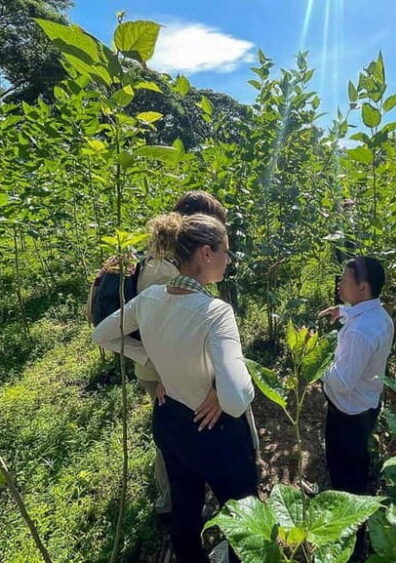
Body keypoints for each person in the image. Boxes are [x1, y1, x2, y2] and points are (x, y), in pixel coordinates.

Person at [93, 212, 257, 563]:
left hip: (169, 419)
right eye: (226, 251)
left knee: (186, 505)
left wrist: (153, 361)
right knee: (246, 518)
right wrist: (228, 387)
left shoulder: (150, 298)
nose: (230, 259)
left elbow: (102, 334)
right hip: (215, 430)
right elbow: (237, 397)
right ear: (205, 254)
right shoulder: (215, 312)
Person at [86, 190, 228, 516]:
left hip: (163, 368)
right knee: (176, 440)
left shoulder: (161, 258)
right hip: (165, 371)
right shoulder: (166, 270)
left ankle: (179, 495)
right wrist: (158, 364)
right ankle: (173, 500)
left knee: (176, 434)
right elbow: (154, 325)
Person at [318, 256, 393, 555]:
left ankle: (349, 544)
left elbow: (342, 380)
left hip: (347, 414)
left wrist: (317, 363)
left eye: (345, 280)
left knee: (344, 475)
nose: (339, 284)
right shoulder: (379, 316)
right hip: (366, 406)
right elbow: (361, 316)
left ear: (362, 287)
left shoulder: (360, 333)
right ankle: (353, 525)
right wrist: (343, 311)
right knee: (357, 465)